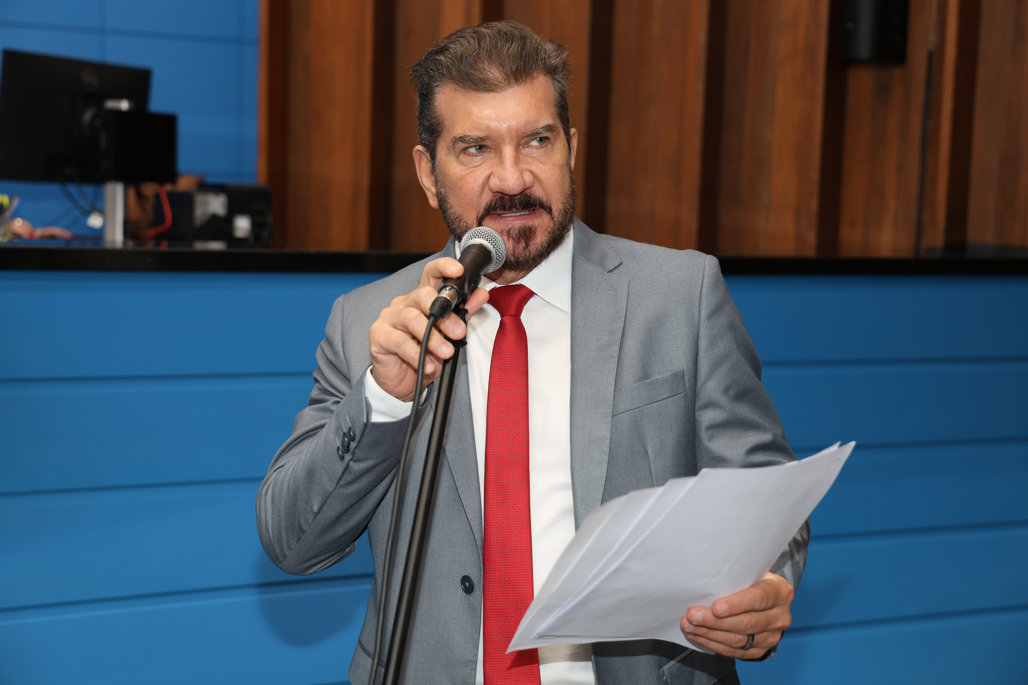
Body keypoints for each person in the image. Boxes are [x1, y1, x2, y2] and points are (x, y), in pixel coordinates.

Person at [257, 20, 807, 685]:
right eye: (475, 148)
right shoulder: (369, 323)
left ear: (571, 148)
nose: (513, 178)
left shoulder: (680, 295)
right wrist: (384, 398)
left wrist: (768, 585)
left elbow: (763, 497)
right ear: (428, 173)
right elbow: (293, 540)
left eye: (537, 141)